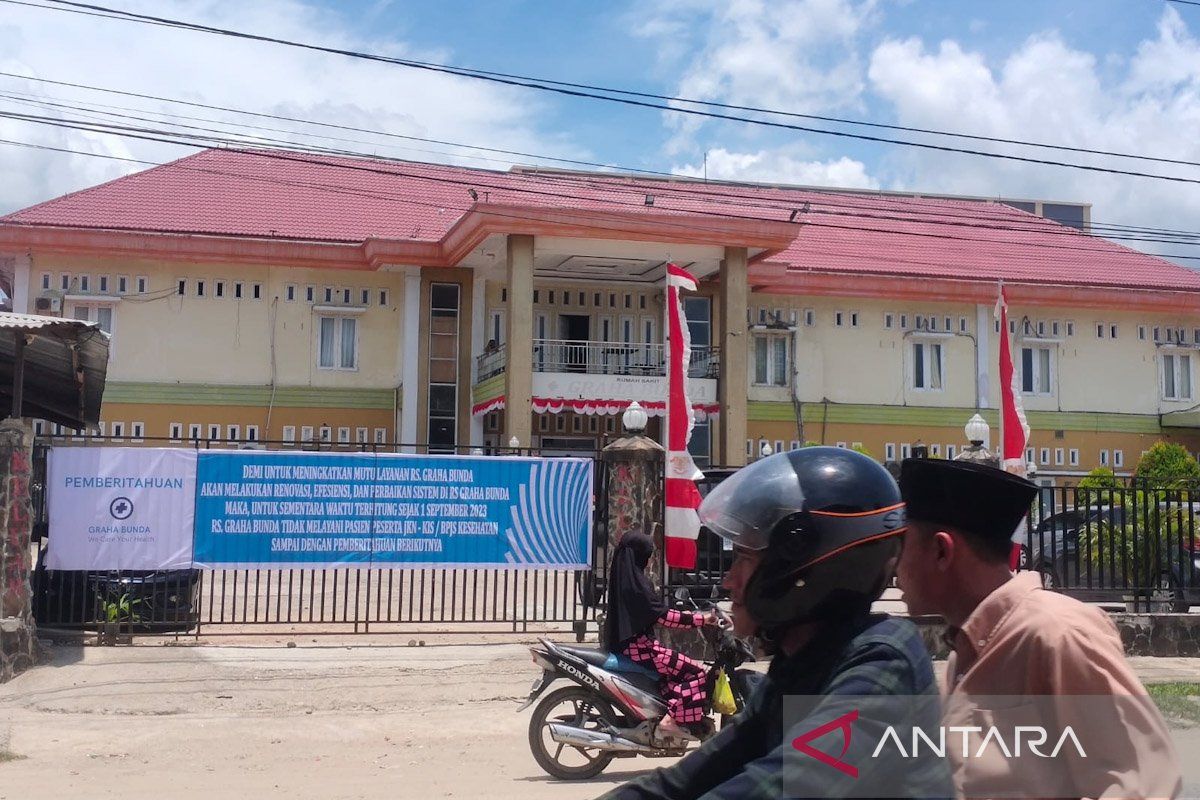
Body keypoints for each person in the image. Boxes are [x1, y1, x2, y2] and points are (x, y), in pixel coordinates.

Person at [600, 447, 952, 800]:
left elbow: (783, 782)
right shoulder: (798, 666)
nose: (728, 580)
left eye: (745, 559)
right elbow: (688, 779)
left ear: (803, 569)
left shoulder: (885, 663)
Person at [896, 457, 1181, 799]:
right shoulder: (965, 652)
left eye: (901, 544)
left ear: (942, 551)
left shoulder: (1057, 634)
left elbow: (1144, 785)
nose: (893, 565)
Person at [606, 531, 718, 741]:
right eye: (647, 555)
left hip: (629, 645)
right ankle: (670, 722)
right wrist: (700, 620)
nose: (649, 561)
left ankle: (664, 715)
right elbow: (663, 616)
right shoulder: (637, 586)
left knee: (673, 674)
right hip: (640, 648)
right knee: (696, 672)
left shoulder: (624, 580)